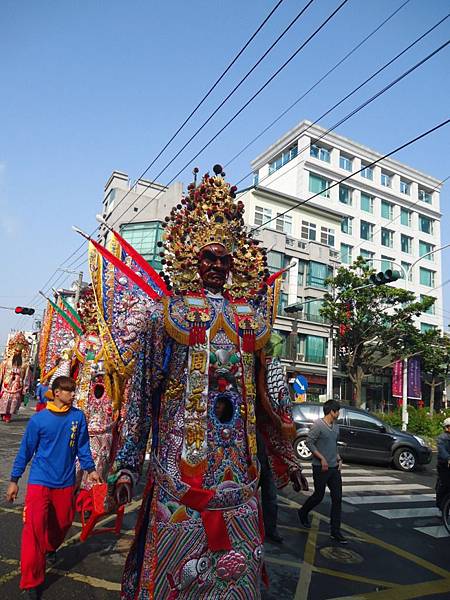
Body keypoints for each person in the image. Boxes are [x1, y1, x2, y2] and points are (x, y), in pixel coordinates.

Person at [87, 166, 304, 599]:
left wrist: (286, 455)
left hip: (238, 479)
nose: (218, 267)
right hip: (179, 477)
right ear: (191, 256)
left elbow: (267, 397)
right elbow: (142, 394)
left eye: (226, 259)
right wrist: (128, 463)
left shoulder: (251, 322)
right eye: (210, 257)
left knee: (234, 582)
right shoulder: (166, 316)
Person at [5, 376, 100, 599]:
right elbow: (25, 452)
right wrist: (14, 480)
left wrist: (91, 469)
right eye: (68, 391)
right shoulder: (39, 420)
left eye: (73, 391)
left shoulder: (78, 417)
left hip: (65, 482)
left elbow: (83, 447)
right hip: (40, 481)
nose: (72, 394)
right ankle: (31, 581)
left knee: (64, 521)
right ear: (56, 392)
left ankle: (50, 547)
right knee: (33, 531)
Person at [297, 399, 347, 544]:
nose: (338, 414)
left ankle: (335, 531)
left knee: (337, 498)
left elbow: (333, 445)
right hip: (320, 467)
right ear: (332, 412)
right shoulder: (318, 426)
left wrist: (338, 458)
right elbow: (309, 442)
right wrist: (322, 459)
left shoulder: (336, 427)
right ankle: (303, 511)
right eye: (337, 411)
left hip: (334, 468)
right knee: (318, 496)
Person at [0, 332, 31, 423]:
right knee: (4, 399)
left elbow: (26, 376)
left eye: (19, 351)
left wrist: (25, 387)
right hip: (7, 383)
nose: (17, 353)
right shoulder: (7, 362)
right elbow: (2, 372)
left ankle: (8, 415)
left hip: (17, 384)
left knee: (13, 401)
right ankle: (3, 413)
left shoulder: (25, 364)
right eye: (16, 351)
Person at [436, 417, 450, 511]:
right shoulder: (442, 438)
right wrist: (448, 458)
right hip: (444, 465)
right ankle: (441, 508)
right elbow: (442, 451)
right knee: (445, 486)